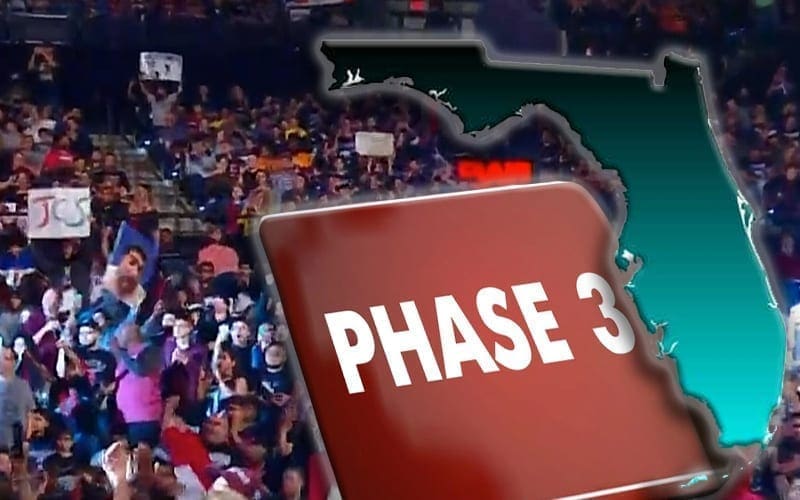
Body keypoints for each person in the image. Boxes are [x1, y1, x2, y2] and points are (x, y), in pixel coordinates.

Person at [110, 323, 163, 447]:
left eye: (119, 334)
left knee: (143, 454)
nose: (116, 338)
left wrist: (120, 352)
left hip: (145, 418)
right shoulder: (124, 356)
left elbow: (140, 370)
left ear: (131, 334)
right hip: (125, 420)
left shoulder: (151, 350)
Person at [0, 346, 35, 449]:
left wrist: (27, 439)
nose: (8, 363)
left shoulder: (23, 386)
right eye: (5, 358)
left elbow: (30, 414)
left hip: (16, 443)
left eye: (11, 359)